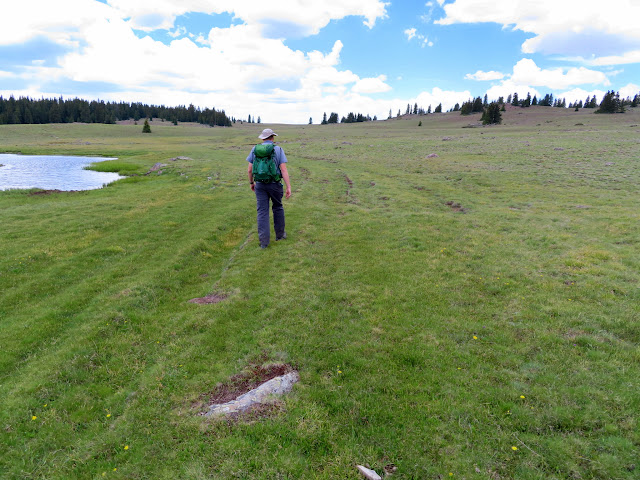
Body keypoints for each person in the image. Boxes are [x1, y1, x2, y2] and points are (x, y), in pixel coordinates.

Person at [247, 128, 292, 248]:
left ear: (262, 138)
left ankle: (264, 243)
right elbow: (283, 169)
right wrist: (288, 186)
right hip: (275, 184)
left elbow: (250, 169)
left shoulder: (255, 149)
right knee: (278, 207)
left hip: (260, 185)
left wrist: (251, 183)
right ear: (272, 137)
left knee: (262, 211)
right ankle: (280, 235)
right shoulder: (278, 149)